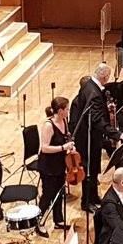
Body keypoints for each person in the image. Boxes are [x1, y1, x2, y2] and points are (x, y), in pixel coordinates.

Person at [71, 63, 123, 210]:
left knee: (94, 167)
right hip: (88, 138)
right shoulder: (94, 93)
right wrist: (117, 134)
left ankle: (93, 196)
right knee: (89, 169)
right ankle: (87, 202)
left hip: (91, 136)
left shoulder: (89, 85)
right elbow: (96, 120)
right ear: (104, 76)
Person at [37, 96, 75, 235]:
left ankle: (58, 220)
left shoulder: (64, 120)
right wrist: (63, 147)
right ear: (60, 111)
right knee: (48, 194)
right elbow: (45, 148)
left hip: (60, 163)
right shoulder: (48, 125)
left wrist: (70, 145)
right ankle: (39, 222)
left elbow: (67, 136)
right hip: (48, 166)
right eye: (67, 109)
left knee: (60, 193)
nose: (68, 111)